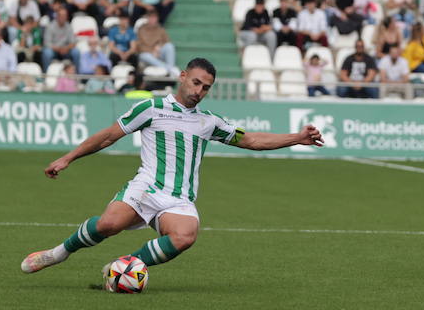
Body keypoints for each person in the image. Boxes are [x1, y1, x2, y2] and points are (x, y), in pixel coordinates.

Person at [20, 58, 325, 279]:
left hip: (178, 199)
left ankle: (125, 265)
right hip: (146, 189)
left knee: (186, 236)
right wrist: (67, 158)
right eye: (195, 82)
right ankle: (58, 253)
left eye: (206, 87)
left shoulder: (209, 121)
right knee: (107, 226)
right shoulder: (150, 108)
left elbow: (254, 140)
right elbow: (109, 136)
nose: (199, 91)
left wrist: (297, 138)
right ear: (182, 76)